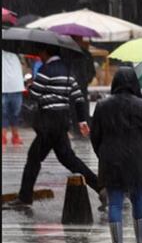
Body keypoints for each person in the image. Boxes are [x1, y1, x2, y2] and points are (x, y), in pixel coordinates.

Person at [11, 46, 105, 209]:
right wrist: (82, 120)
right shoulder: (68, 71)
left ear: (46, 52)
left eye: (41, 52)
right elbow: (78, 97)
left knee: (33, 159)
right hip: (62, 121)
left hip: (48, 122)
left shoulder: (46, 70)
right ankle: (101, 188)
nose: (39, 55)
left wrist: (29, 83)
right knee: (69, 159)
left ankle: (25, 197)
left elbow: (35, 95)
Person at [91, 67, 142, 243]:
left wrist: (102, 153)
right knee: (138, 198)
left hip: (111, 158)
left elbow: (95, 137)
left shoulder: (102, 106)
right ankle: (140, 239)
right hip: (136, 158)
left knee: (115, 202)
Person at [2, 49, 24, 146]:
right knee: (4, 114)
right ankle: (3, 136)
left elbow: (24, 67)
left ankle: (15, 136)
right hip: (5, 88)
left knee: (15, 114)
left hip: (16, 88)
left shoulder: (19, 54)